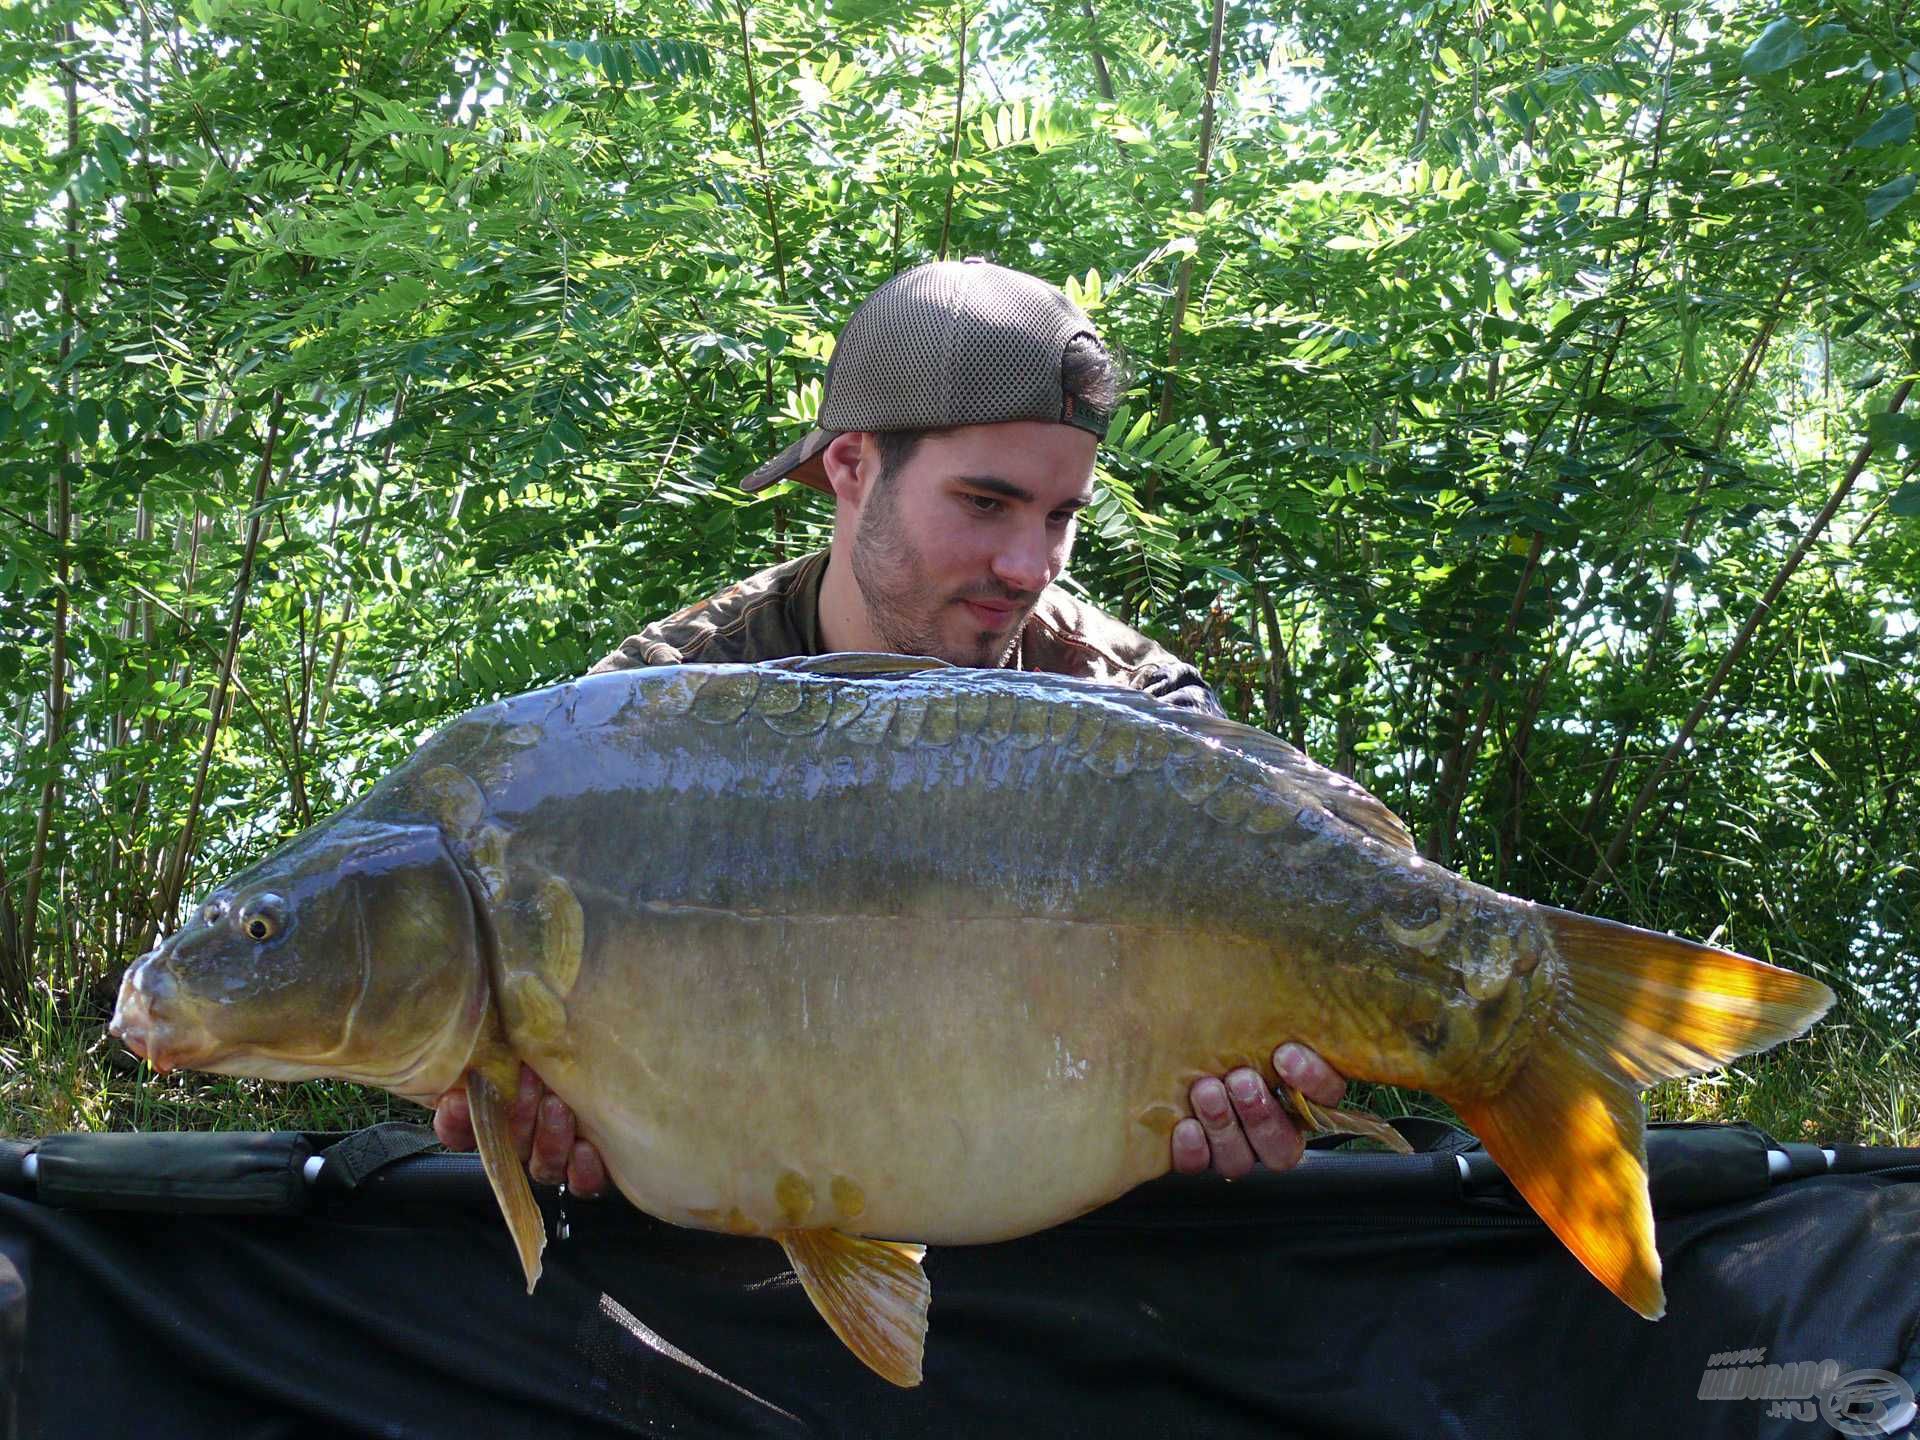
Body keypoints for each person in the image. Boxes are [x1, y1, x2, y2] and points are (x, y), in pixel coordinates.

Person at [432, 258, 1351, 1198]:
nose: (1030, 566)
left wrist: (1283, 1103)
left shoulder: (1144, 718)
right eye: (986, 503)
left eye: (1061, 515)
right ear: (851, 465)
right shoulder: (648, 721)